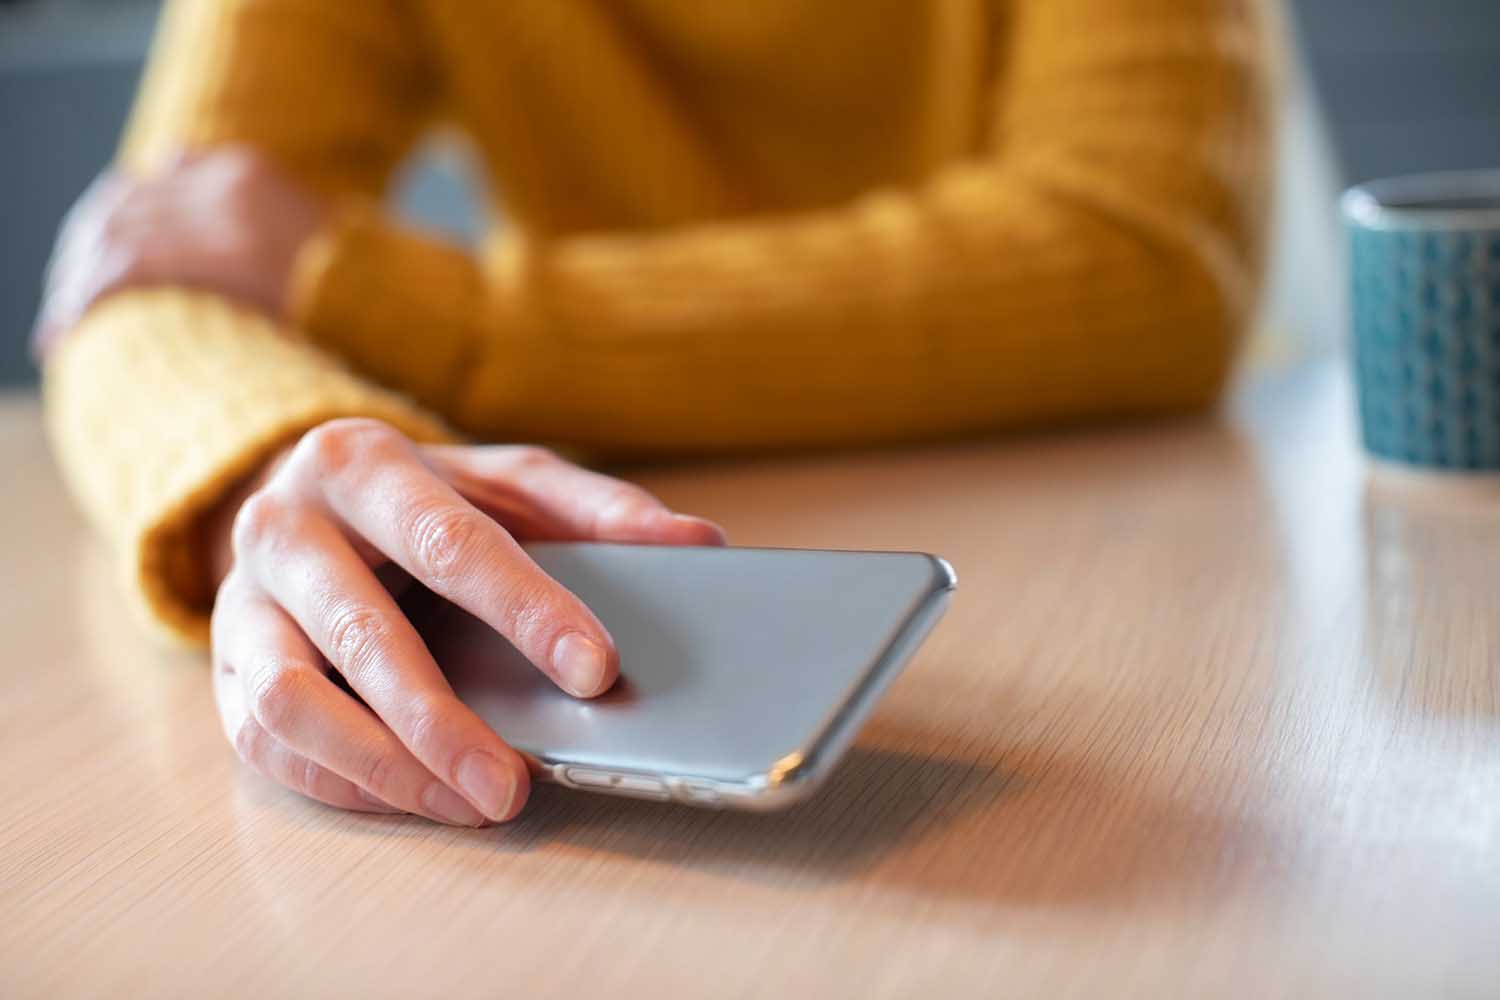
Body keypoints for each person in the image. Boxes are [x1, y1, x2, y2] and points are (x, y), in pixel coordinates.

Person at [36, 0, 1274, 826]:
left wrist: (424, 311)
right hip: (611, 565)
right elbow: (153, 262)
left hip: (1158, 581)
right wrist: (281, 468)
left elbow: (1144, 256)